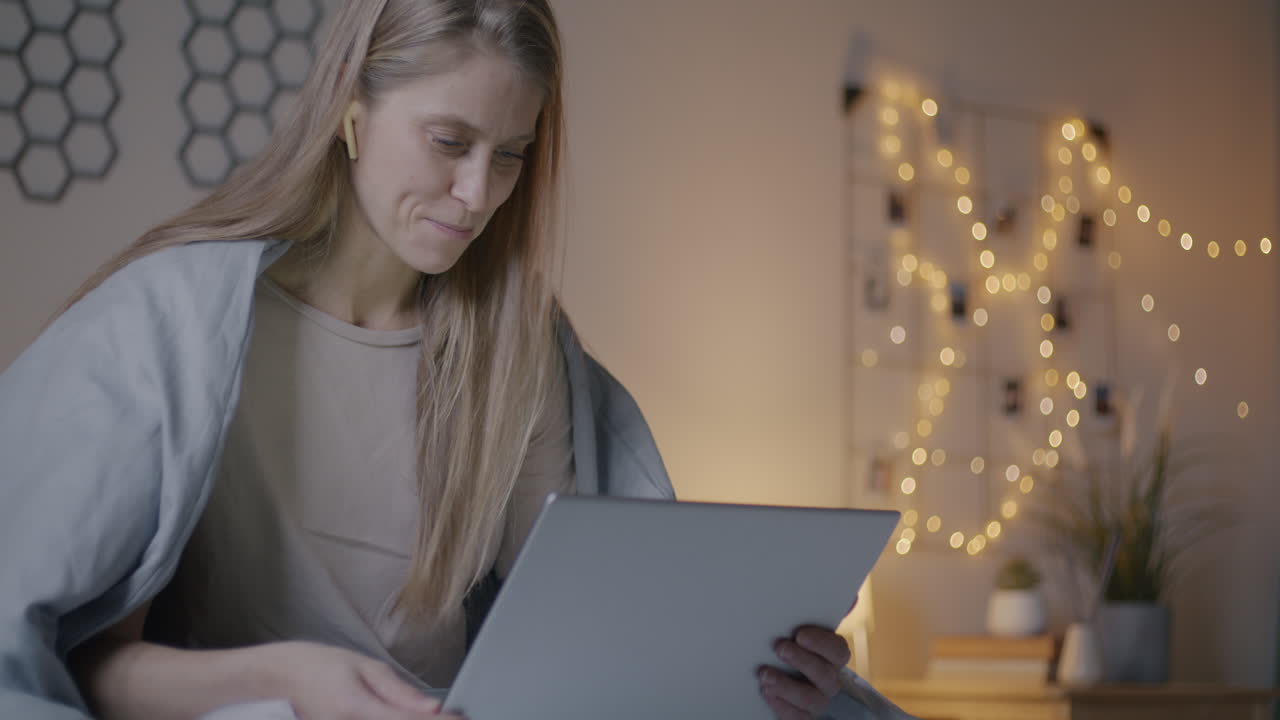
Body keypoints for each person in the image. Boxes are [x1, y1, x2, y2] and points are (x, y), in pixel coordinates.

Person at [0, 2, 915, 719]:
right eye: (449, 143)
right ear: (351, 110)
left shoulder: (516, 347)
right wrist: (287, 682)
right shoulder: (179, 324)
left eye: (510, 155)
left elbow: (597, 641)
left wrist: (751, 674)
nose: (477, 194)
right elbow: (81, 663)